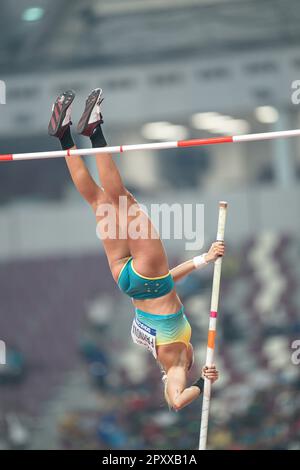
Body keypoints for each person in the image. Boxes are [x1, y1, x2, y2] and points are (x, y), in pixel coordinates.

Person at [48, 89, 224, 411]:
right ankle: (64, 137)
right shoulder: (165, 345)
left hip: (148, 277)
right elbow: (170, 281)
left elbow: (177, 402)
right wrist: (204, 259)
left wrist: (203, 381)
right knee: (99, 201)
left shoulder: (174, 366)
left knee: (120, 199)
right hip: (127, 280)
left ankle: (94, 131)